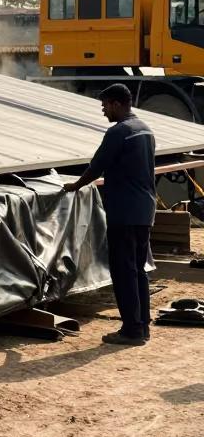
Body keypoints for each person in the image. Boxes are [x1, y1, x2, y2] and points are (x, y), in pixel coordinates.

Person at [64, 82, 155, 346]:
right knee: (139, 270)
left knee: (123, 271)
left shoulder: (119, 132)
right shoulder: (145, 130)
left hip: (124, 213)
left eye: (105, 106)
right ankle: (142, 326)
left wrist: (74, 186)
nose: (104, 111)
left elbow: (96, 168)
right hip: (144, 211)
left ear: (116, 104)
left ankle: (131, 331)